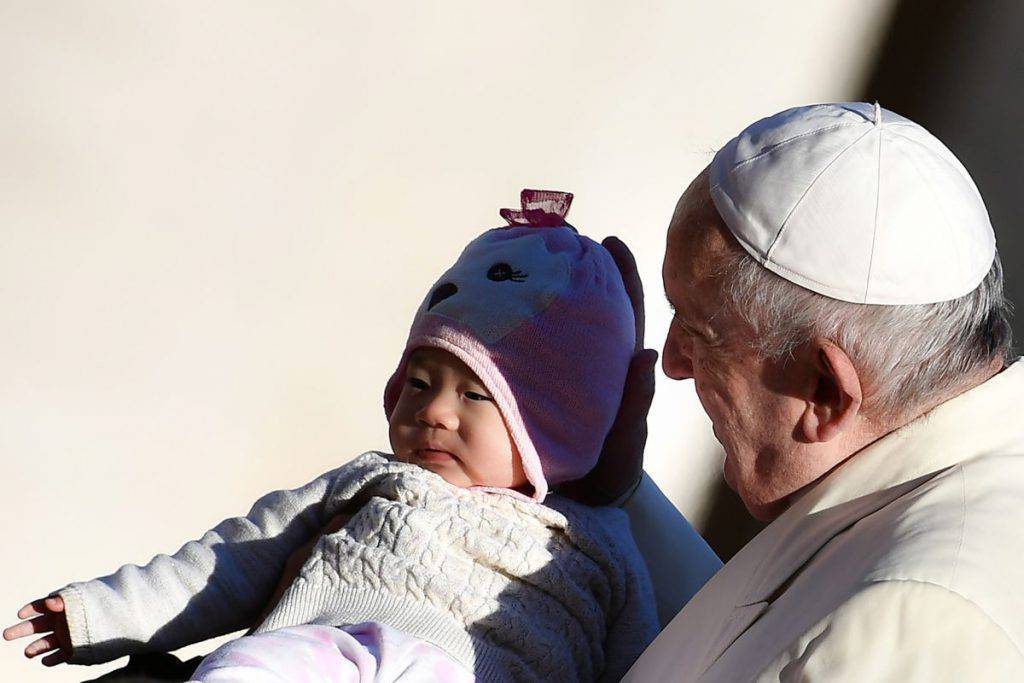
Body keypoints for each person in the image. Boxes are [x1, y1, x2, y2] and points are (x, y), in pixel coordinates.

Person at [3, 190, 665, 682]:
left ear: (560, 419)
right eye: (419, 381)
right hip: (325, 651)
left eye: (474, 394)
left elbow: (650, 665)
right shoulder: (379, 479)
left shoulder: (599, 547)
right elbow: (230, 560)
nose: (435, 411)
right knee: (252, 669)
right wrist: (101, 612)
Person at [621, 102, 1024, 680]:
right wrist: (611, 495)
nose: (675, 363)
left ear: (825, 392)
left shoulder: (919, 616)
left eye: (699, 332)